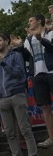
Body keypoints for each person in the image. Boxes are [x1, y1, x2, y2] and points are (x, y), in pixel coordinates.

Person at [23, 15, 53, 148]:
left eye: (31, 20)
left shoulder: (50, 33)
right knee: (44, 106)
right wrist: (19, 47)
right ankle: (51, 137)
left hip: (51, 71)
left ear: (39, 21)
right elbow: (27, 58)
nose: (29, 23)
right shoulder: (28, 39)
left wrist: (41, 39)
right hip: (37, 75)